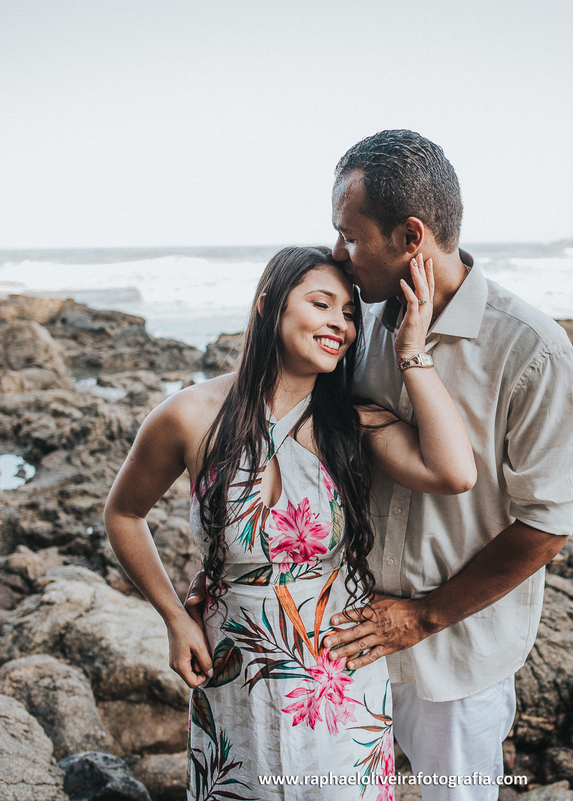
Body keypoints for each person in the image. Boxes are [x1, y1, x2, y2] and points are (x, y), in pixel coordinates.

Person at [103, 245, 476, 801]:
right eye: (321, 304)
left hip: (339, 673)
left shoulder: (352, 423)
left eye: (350, 313)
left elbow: (453, 472)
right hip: (236, 667)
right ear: (267, 307)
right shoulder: (189, 415)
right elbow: (124, 513)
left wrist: (412, 351)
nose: (339, 324)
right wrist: (175, 618)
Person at [323, 130, 573, 800]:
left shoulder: (530, 348)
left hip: (455, 659)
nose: (338, 253)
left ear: (410, 236)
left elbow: (546, 526)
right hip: (351, 633)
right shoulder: (359, 323)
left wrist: (424, 615)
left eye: (350, 236)